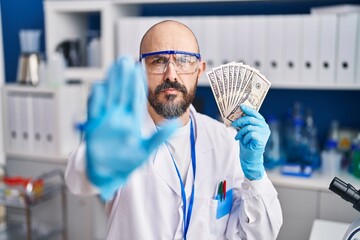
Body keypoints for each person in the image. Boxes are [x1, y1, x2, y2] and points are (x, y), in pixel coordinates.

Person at [65, 20, 282, 240]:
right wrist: (97, 162)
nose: (171, 74)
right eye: (158, 61)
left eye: (184, 60)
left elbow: (258, 236)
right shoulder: (123, 138)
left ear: (199, 70)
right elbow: (76, 180)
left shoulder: (226, 141)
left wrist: (255, 175)